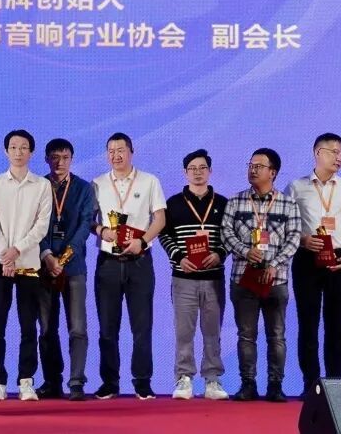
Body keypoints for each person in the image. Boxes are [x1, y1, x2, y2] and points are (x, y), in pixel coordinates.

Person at [285, 133, 341, 396]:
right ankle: (311, 384)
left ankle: (335, 385)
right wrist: (303, 239)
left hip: (339, 260)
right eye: (334, 152)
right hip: (307, 259)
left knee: (335, 324)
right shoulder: (296, 187)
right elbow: (285, 227)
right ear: (318, 153)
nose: (339, 158)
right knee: (307, 323)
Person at [221, 148, 301, 403]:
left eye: (259, 166)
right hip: (243, 277)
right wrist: (246, 251)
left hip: (276, 280)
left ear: (273, 172)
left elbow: (294, 239)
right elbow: (226, 233)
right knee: (246, 335)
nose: (253, 170)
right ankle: (248, 385)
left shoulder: (288, 203)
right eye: (251, 165)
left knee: (276, 335)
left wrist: (274, 264)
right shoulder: (235, 201)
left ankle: (275, 386)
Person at [91, 132, 166, 400]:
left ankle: (142, 382)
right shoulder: (97, 184)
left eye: (120, 150)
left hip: (139, 261)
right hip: (108, 263)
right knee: (107, 327)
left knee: (142, 326)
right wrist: (102, 231)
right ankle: (109, 382)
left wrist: (142, 242)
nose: (116, 155)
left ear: (131, 152)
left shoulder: (149, 181)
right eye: (111, 151)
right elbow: (89, 220)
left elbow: (160, 219)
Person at [0, 129, 52, 403]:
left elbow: (41, 226)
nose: (18, 152)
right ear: (6, 151)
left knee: (28, 325)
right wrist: (6, 255)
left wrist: (17, 251)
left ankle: (26, 380)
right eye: (13, 147)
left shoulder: (42, 185)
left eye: (24, 147)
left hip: (29, 265)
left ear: (31, 152)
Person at [158, 149, 228, 400]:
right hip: (183, 278)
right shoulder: (173, 203)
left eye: (202, 168)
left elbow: (230, 236)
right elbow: (163, 234)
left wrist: (220, 254)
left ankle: (212, 379)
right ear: (185, 172)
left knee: (213, 331)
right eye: (192, 168)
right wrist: (178, 257)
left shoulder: (222, 203)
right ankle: (184, 378)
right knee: (184, 332)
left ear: (210, 171)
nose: (198, 173)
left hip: (213, 278)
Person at [36, 138, 95, 401]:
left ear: (71, 159)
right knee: (46, 328)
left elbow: (85, 224)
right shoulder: (38, 186)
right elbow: (33, 224)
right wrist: (48, 255)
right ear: (46, 159)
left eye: (65, 157)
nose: (60, 162)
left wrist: (66, 256)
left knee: (78, 328)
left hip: (74, 267)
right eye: (54, 157)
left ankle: (77, 383)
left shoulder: (83, 188)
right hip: (44, 266)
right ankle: (52, 382)